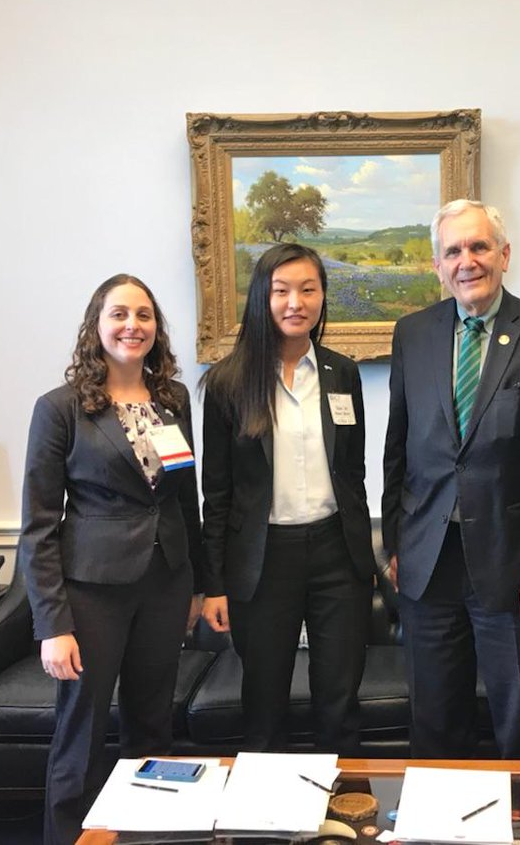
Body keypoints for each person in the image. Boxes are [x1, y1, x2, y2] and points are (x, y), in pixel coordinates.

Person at [382, 199, 520, 759]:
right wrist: (397, 543)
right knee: (433, 724)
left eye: (478, 246)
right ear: (437, 265)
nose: (466, 261)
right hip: (427, 564)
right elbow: (396, 449)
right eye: (453, 251)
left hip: (516, 567)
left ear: (504, 254)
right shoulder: (413, 334)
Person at [19, 274, 204, 845]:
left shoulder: (172, 398)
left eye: (144, 315)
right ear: (96, 324)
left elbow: (184, 498)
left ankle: (150, 833)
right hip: (92, 591)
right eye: (119, 314)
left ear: (157, 327)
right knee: (82, 729)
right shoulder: (61, 409)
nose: (133, 326)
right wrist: (53, 626)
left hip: (166, 583)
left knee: (153, 724)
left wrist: (196, 585)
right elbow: (39, 523)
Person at [200, 242, 374, 753]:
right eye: (281, 290)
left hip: (336, 556)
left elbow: (354, 473)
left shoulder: (343, 373)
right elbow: (218, 492)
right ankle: (268, 823)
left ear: (322, 297)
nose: (295, 301)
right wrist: (214, 584)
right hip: (263, 561)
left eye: (308, 289)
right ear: (262, 298)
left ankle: (342, 817)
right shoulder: (229, 382)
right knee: (265, 700)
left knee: (339, 700)